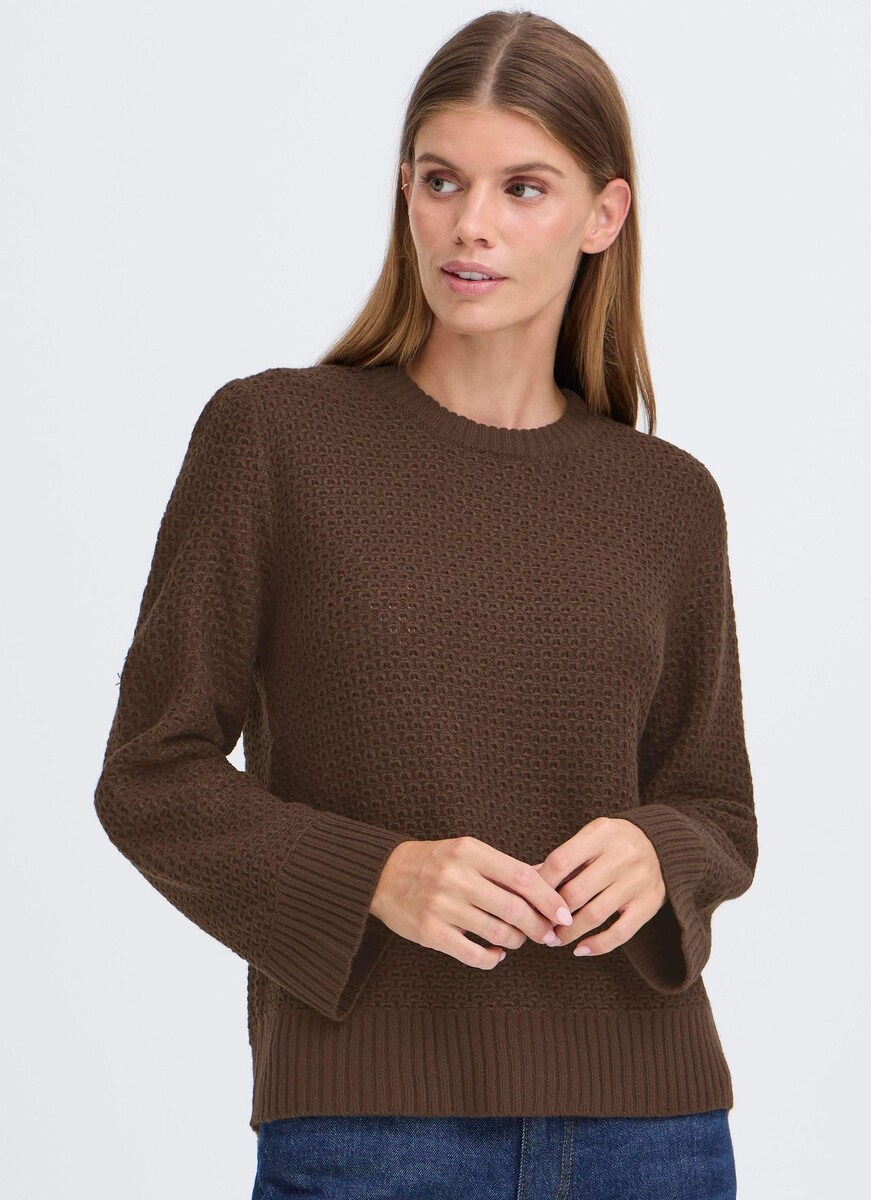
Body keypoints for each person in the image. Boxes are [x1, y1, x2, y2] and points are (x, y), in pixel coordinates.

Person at [93, 9, 757, 1198]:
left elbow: (718, 806)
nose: (470, 226)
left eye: (523, 188)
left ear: (604, 215)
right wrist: (373, 875)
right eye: (442, 180)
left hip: (652, 1134)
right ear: (405, 188)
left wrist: (660, 852)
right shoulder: (275, 439)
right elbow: (150, 772)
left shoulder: (669, 499)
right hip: (369, 1133)